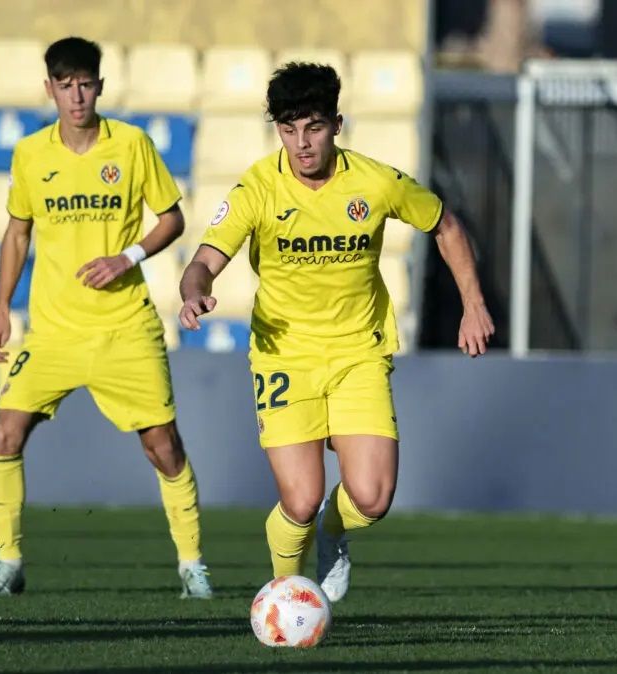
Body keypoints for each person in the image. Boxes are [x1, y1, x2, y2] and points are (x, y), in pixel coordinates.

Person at [179, 62, 494, 602]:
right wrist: (194, 291)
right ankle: (286, 595)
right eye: (288, 129)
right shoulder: (257, 187)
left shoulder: (374, 182)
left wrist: (473, 302)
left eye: (313, 127)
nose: (301, 143)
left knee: (371, 498)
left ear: (337, 124)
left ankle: (333, 529)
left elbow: (444, 225)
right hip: (284, 356)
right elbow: (204, 260)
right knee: (297, 500)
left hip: (358, 354)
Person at [0, 37, 211, 599]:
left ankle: (192, 565)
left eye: (85, 83)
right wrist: (1, 307)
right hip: (54, 330)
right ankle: (8, 563)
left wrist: (126, 257)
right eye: (65, 85)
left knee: (164, 446)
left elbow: (172, 220)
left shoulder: (131, 145)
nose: (76, 95)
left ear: (100, 86)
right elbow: (17, 232)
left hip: (125, 326)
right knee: (4, 433)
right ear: (50, 90)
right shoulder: (31, 154)